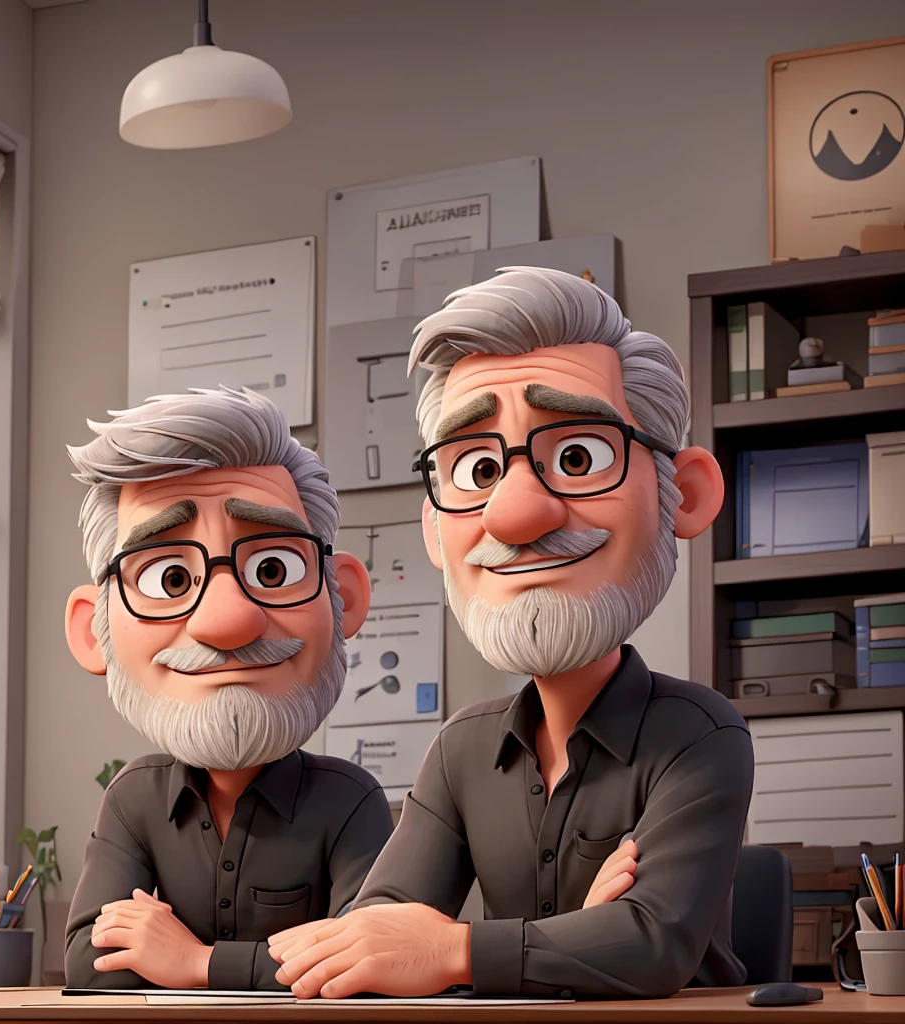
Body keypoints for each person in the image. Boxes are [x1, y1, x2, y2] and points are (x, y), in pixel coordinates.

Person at [269, 267, 753, 1000]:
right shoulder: (463, 749)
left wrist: (460, 949)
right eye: (480, 468)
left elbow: (652, 944)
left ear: (682, 493)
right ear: (436, 528)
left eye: (577, 457)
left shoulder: (701, 735)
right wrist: (576, 944)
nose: (515, 513)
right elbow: (375, 934)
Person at [62, 386, 392, 990]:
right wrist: (285, 962)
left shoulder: (349, 801)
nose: (227, 619)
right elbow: (90, 962)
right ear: (93, 629)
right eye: (169, 578)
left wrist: (192, 962)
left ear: (342, 598)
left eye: (272, 569)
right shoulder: (135, 799)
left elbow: (368, 964)